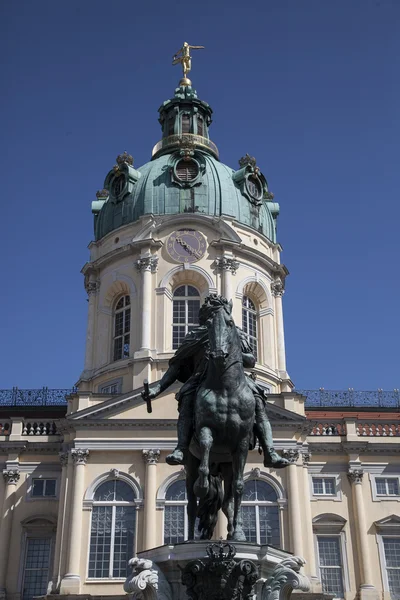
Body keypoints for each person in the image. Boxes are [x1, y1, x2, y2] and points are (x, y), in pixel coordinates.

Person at [142, 295, 289, 469]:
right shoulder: (195, 335)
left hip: (235, 379)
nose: (216, 318)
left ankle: (269, 451)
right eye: (212, 314)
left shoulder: (236, 333)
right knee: (187, 397)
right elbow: (177, 366)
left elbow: (250, 361)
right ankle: (181, 448)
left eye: (220, 313)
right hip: (201, 378)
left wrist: (233, 352)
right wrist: (157, 389)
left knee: (257, 400)